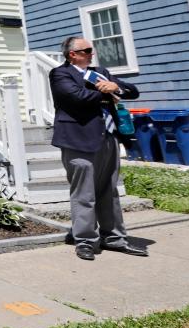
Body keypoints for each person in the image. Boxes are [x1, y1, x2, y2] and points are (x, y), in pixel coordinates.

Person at [50, 36, 148, 261]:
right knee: (84, 193)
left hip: (108, 137)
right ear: (72, 54)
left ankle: (114, 237)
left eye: (91, 50)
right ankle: (85, 240)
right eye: (86, 50)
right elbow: (76, 97)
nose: (91, 53)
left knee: (109, 191)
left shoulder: (100, 71)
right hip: (78, 140)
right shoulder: (61, 74)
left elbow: (132, 91)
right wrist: (107, 93)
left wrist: (116, 87)